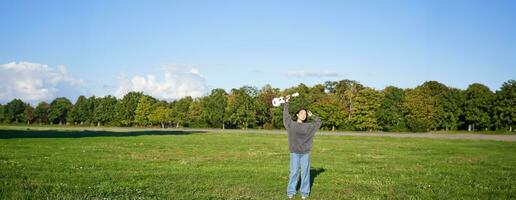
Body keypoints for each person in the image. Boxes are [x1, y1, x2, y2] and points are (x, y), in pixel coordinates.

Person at [283, 95, 322, 199]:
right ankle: (291, 191)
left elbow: (319, 122)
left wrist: (312, 115)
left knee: (305, 173)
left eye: (305, 114)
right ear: (297, 114)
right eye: (301, 113)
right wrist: (286, 103)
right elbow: (286, 117)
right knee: (294, 172)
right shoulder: (291, 125)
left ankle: (304, 193)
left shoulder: (309, 126)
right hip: (294, 152)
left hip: (305, 153)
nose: (303, 115)